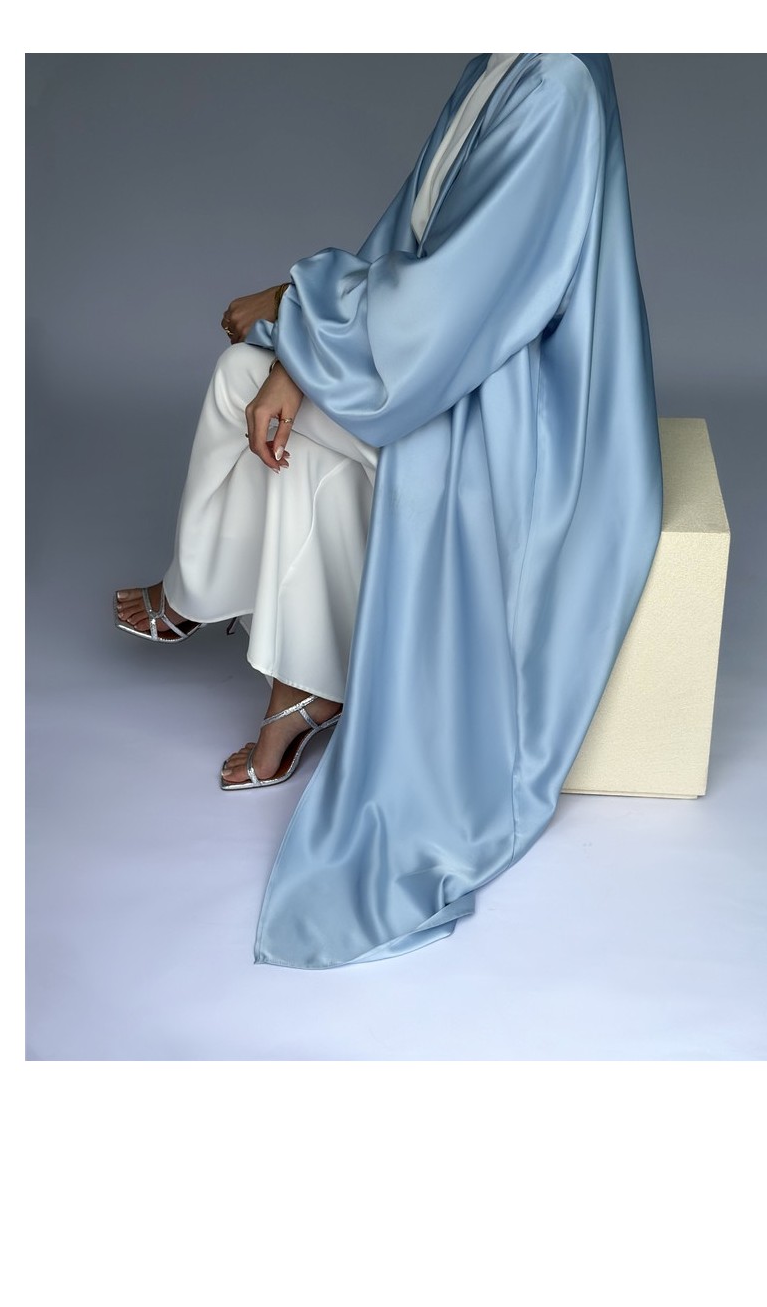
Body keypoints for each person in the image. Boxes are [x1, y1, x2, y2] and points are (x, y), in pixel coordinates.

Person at [116, 54, 664, 970]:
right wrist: (302, 349)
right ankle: (294, 678)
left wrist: (294, 309)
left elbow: (458, 297)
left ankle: (205, 607)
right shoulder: (511, 59)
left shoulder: (557, 81)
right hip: (454, 353)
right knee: (259, 390)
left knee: (254, 388)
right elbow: (409, 241)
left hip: (515, 399)